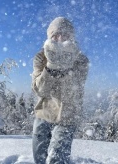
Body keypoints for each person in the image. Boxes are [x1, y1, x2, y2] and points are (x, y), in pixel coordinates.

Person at [31, 17, 89, 164]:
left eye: (65, 35)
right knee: (39, 156)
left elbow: (75, 89)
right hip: (44, 112)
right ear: (49, 37)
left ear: (71, 37)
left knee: (58, 158)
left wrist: (66, 64)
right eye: (55, 35)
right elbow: (40, 90)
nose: (60, 38)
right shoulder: (40, 58)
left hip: (68, 114)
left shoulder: (81, 60)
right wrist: (51, 66)